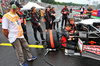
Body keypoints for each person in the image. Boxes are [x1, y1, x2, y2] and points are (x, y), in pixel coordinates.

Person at [2, 1, 37, 66]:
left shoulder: (16, 14)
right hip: (14, 37)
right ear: (14, 7)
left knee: (26, 46)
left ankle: (30, 57)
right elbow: (4, 30)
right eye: (19, 7)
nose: (20, 9)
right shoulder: (6, 16)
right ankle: (22, 62)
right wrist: (8, 37)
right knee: (19, 51)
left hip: (20, 35)